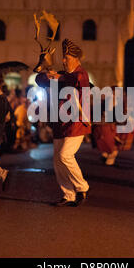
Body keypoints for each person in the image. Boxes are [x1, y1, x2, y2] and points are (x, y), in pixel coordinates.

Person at [36, 38, 91, 207]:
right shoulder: (62, 74)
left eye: (67, 57)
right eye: (63, 57)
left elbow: (74, 82)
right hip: (60, 122)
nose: (64, 60)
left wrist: (57, 76)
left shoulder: (81, 74)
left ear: (76, 58)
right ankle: (68, 194)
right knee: (57, 160)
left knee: (65, 155)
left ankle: (82, 187)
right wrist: (43, 65)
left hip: (77, 121)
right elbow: (39, 80)